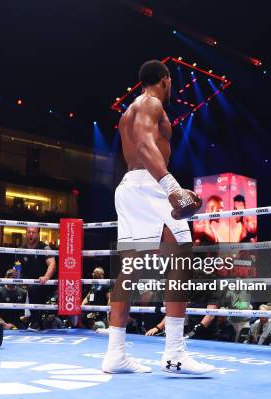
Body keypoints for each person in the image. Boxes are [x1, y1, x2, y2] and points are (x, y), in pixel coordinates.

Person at [103, 60, 213, 376]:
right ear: (165, 80)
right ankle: (174, 353)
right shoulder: (150, 104)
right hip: (149, 186)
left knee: (130, 270)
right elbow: (144, 143)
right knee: (180, 258)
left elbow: (139, 144)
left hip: (131, 186)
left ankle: (115, 354)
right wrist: (171, 187)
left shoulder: (130, 110)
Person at [16, 227, 56, 330]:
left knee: (33, 289)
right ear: (26, 234)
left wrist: (46, 277)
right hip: (28, 283)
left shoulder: (44, 248)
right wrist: (18, 279)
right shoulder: (21, 249)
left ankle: (35, 322)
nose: (31, 234)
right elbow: (17, 267)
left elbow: (52, 264)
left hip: (45, 283)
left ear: (38, 234)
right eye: (29, 232)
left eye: (33, 232)